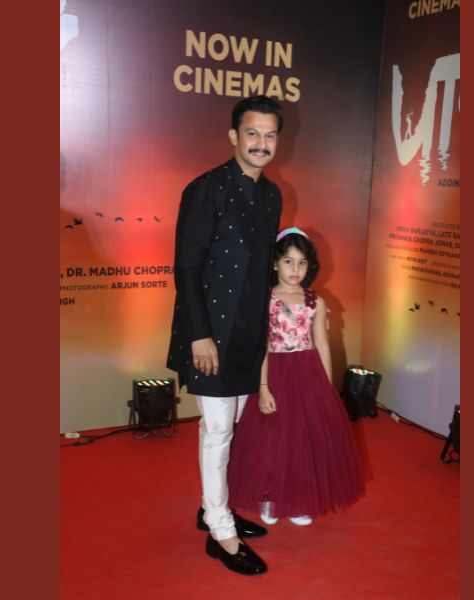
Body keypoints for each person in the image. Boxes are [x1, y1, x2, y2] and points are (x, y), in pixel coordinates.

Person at [166, 95, 284, 576]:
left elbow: (261, 272)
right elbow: (186, 267)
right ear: (234, 135)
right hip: (209, 334)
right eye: (252, 133)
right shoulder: (205, 189)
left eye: (270, 136)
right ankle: (220, 532)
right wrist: (200, 336)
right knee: (218, 431)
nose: (261, 143)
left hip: (248, 334)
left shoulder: (272, 195)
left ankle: (209, 507)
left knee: (229, 424)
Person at [227, 228, 366, 526]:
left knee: (305, 439)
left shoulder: (315, 300)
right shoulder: (264, 300)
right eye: (288, 261)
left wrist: (326, 387)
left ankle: (300, 498)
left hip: (308, 373)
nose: (295, 269)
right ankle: (270, 496)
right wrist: (264, 388)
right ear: (275, 263)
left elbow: (322, 346)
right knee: (271, 438)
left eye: (302, 263)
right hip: (273, 373)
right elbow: (262, 346)